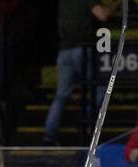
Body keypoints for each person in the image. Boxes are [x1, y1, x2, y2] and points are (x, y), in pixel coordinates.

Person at [43, 0, 114, 147]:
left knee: (61, 95)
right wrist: (115, 5)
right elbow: (102, 16)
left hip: (64, 51)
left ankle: (50, 134)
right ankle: (87, 122)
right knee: (101, 87)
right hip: (82, 49)